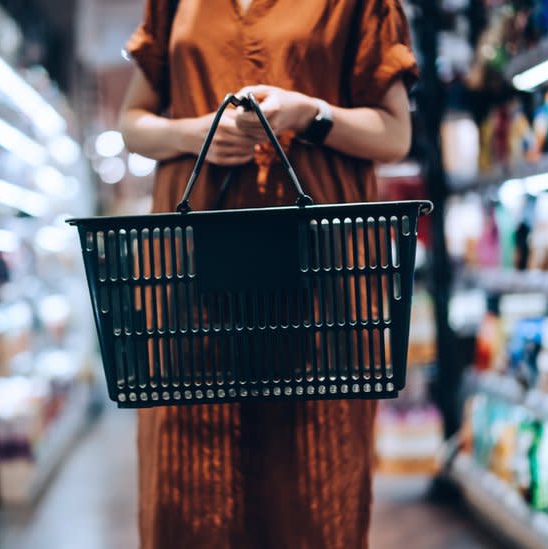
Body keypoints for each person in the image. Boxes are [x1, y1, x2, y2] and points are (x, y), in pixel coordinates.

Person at [118, 1, 418, 547]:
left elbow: (396, 135)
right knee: (187, 490)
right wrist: (196, 133)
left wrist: (310, 113)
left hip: (320, 284)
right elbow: (132, 124)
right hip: (188, 283)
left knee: (312, 493)